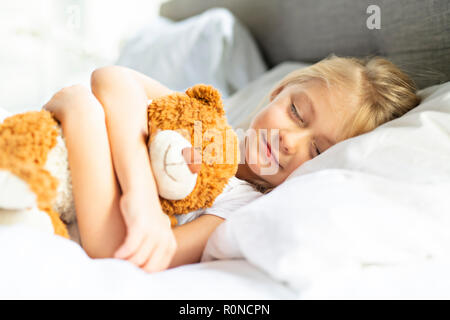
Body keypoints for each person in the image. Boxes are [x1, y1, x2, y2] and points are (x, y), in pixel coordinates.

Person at [43, 54, 421, 273]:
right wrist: (139, 193)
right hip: (52, 156)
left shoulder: (243, 206)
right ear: (278, 91)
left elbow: (123, 252)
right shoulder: (209, 125)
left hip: (76, 208)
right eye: (295, 111)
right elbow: (111, 78)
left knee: (81, 102)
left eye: (318, 151)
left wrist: (83, 118)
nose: (290, 140)